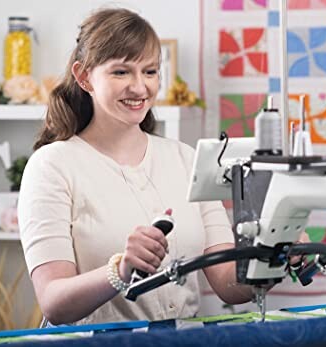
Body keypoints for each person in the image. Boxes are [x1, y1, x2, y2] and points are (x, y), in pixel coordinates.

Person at [18, 7, 259, 326]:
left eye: (150, 71)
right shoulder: (51, 166)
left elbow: (227, 283)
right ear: (84, 76)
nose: (140, 87)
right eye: (121, 72)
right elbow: (54, 302)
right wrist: (120, 270)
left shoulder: (186, 159)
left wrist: (270, 262)